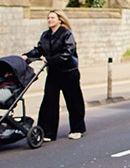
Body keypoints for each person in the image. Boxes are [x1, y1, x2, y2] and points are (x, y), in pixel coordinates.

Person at [24, 10, 86, 141]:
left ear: (60, 20)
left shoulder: (67, 34)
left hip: (69, 72)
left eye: (52, 18)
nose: (50, 20)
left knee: (73, 101)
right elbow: (39, 49)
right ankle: (47, 132)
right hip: (53, 73)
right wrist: (27, 56)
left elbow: (67, 53)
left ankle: (77, 129)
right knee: (49, 101)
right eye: (48, 18)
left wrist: (49, 59)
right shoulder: (45, 35)